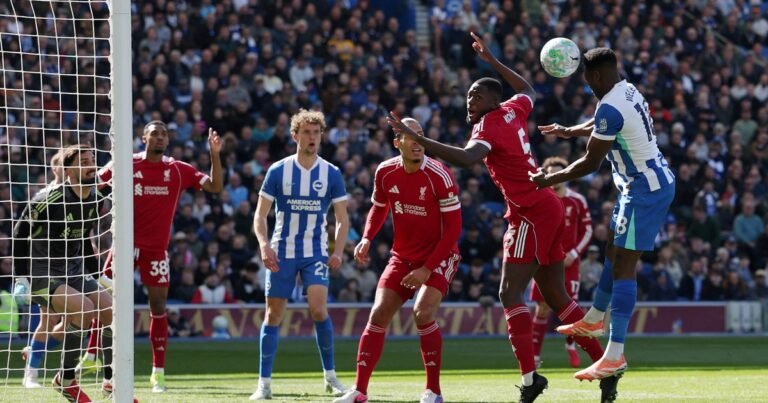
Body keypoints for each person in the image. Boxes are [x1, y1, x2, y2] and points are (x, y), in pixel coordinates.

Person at [387, 32, 608, 403]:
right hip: (545, 207)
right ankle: (605, 364)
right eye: (468, 95)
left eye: (476, 94)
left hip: (530, 213)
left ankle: (529, 379)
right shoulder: (514, 109)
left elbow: (468, 158)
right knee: (557, 299)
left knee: (509, 292)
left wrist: (419, 139)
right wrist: (491, 59)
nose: (469, 100)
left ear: (492, 99)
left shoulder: (489, 124)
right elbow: (527, 89)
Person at [531, 48, 675, 385]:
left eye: (586, 79)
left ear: (596, 76)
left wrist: (548, 179)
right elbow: (602, 125)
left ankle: (614, 354)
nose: (586, 85)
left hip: (646, 189)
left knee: (625, 265)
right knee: (612, 249)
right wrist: (571, 130)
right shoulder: (625, 89)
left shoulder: (610, 105)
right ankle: (594, 318)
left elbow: (589, 163)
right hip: (636, 186)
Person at [334, 118, 462, 403]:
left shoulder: (440, 175)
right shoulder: (385, 171)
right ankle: (359, 391)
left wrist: (427, 269)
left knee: (423, 313)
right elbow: (379, 208)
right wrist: (367, 237)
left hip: (439, 256)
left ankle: (433, 391)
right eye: (409, 136)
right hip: (402, 256)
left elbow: (453, 229)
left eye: (421, 136)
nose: (417, 142)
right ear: (397, 143)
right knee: (378, 314)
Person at [97, 121, 223, 393]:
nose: (160, 138)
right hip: (124, 245)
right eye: (154, 133)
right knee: (103, 299)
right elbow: (96, 184)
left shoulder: (177, 169)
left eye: (164, 134)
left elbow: (214, 186)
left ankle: (158, 373)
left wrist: (214, 154)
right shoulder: (125, 163)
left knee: (158, 306)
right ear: (143, 138)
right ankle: (92, 355)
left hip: (155, 250)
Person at [251, 109, 349, 400]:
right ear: (295, 136)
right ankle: (264, 384)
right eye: (306, 132)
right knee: (274, 314)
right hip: (282, 250)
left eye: (316, 133)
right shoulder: (278, 170)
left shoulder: (331, 173)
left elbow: (342, 218)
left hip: (315, 252)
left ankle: (330, 378)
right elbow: (260, 215)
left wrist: (338, 251)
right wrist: (264, 244)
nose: (312, 138)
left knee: (319, 309)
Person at [13, 144, 113, 401]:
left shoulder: (95, 200)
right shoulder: (49, 199)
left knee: (111, 311)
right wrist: (21, 277)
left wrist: (98, 275)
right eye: (84, 161)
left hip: (74, 271)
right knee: (81, 310)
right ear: (68, 170)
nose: (92, 165)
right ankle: (65, 379)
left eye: (93, 160)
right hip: (42, 272)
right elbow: (20, 233)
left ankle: (112, 380)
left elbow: (85, 240)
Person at [530, 157, 593, 369]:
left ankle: (571, 347)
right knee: (542, 308)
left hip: (569, 262)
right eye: (551, 174)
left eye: (559, 174)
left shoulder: (577, 200)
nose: (555, 180)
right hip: (544, 262)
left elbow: (588, 230)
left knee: (570, 308)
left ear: (565, 175)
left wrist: (574, 253)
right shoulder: (540, 197)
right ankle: (535, 357)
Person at [18, 150, 65, 388]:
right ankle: (31, 375)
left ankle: (34, 349)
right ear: (55, 169)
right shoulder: (43, 197)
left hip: (70, 264)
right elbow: (22, 233)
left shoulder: (79, 196)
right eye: (64, 166)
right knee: (48, 319)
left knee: (76, 320)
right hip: (45, 266)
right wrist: (23, 274)